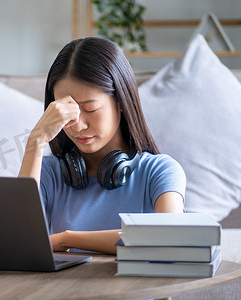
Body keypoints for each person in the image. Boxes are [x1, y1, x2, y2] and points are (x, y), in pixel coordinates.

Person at [18, 37, 186, 254]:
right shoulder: (47, 172)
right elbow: (20, 241)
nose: (78, 126)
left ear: (122, 103)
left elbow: (168, 237)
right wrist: (36, 141)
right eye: (66, 112)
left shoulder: (160, 171)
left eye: (90, 109)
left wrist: (67, 240)